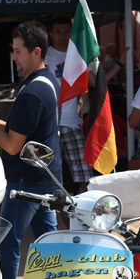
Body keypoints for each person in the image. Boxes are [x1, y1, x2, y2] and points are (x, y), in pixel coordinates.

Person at [0, 21, 61, 279]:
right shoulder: (44, 81)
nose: (14, 57)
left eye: (18, 51)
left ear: (36, 52)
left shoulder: (32, 91)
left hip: (26, 182)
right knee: (49, 245)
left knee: (7, 242)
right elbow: (23, 132)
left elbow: (13, 145)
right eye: (13, 50)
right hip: (44, 179)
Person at [45, 16, 93, 195]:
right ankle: (59, 220)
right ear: (51, 34)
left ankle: (79, 216)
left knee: (86, 176)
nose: (62, 36)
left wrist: (119, 63)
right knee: (49, 176)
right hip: (50, 123)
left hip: (73, 122)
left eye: (66, 32)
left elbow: (95, 81)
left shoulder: (78, 54)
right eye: (58, 32)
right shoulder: (44, 56)